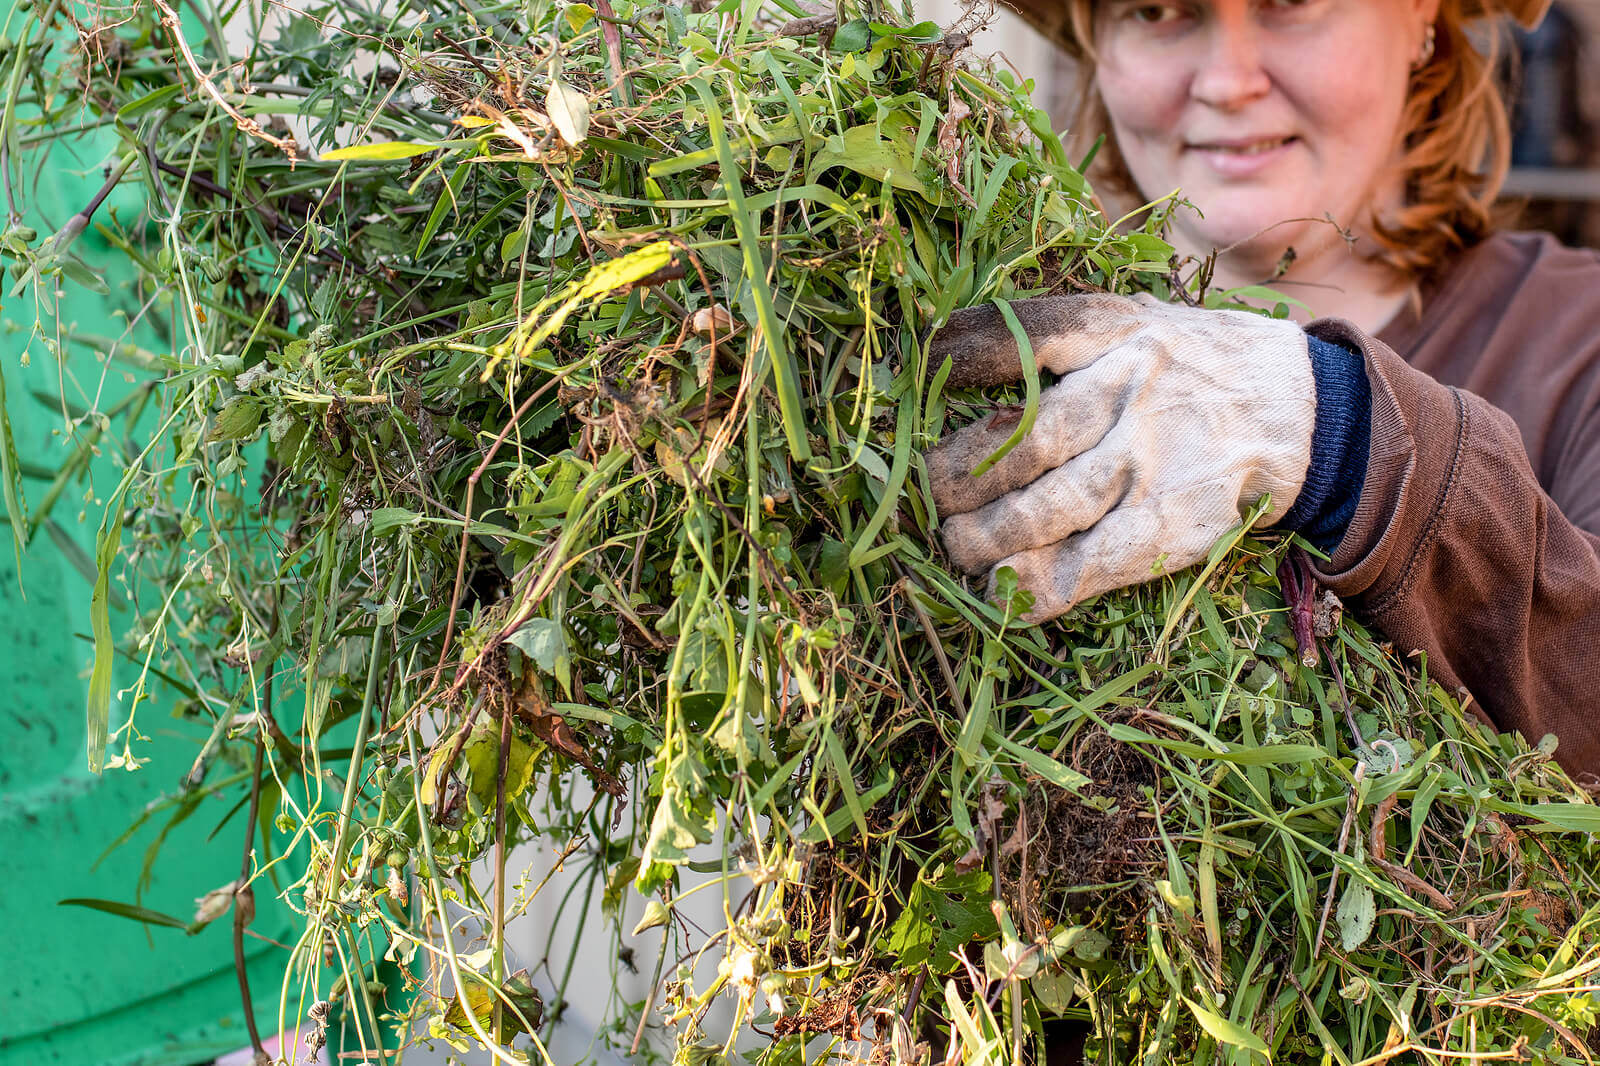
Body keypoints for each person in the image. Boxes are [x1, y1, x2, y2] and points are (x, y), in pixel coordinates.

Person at [921, 0, 1600, 786]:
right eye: (1157, 8)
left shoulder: (1578, 339)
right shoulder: (977, 343)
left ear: (1421, 17)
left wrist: (1340, 433)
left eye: (1291, 3)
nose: (1227, 82)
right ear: (1096, 46)